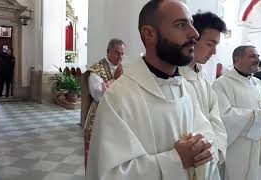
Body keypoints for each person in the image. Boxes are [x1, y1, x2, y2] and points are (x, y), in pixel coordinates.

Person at [86, 0, 221, 179]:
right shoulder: (119, 97)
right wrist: (175, 160)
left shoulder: (186, 89)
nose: (194, 33)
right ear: (149, 34)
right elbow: (107, 174)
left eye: (192, 25)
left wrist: (204, 146)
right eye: (181, 25)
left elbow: (206, 132)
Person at [212, 45, 261, 180]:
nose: (257, 60)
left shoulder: (258, 83)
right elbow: (222, 116)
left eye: (258, 56)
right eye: (252, 56)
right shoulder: (222, 84)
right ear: (238, 59)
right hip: (239, 148)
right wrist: (256, 115)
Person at [178, 11, 227, 179]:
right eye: (210, 43)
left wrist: (217, 147)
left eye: (216, 45)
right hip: (191, 160)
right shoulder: (176, 77)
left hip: (210, 156)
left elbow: (215, 116)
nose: (213, 51)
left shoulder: (203, 76)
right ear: (193, 39)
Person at [81, 38, 125, 167]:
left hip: (119, 117)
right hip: (99, 117)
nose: (120, 57)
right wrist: (115, 79)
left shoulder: (123, 69)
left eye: (122, 53)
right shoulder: (96, 71)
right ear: (108, 51)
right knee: (99, 158)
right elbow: (99, 95)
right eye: (117, 53)